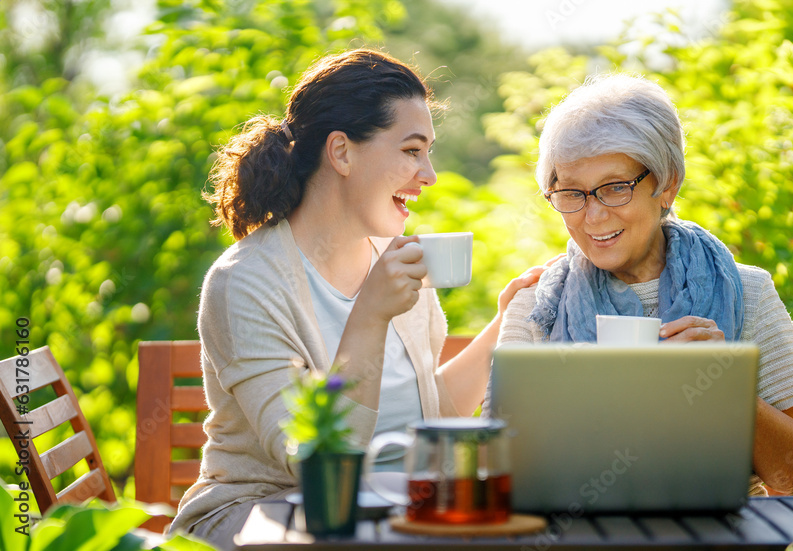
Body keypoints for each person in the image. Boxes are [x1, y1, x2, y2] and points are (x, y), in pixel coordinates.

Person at [170, 49, 544, 549]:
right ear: (342, 152)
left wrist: (503, 324)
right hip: (264, 516)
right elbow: (317, 462)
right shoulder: (245, 283)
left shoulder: (396, 261)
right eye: (412, 151)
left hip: (387, 514)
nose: (429, 175)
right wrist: (369, 316)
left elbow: (432, 416)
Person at [495, 74, 793, 495]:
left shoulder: (748, 291)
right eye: (572, 193)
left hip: (721, 536)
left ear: (667, 184)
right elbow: (496, 467)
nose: (593, 216)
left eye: (615, 188)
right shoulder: (536, 307)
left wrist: (726, 385)